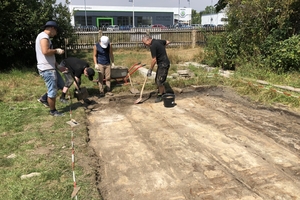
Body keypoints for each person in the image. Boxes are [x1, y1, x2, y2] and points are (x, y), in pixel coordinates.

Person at [35, 20, 66, 116]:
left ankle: (44, 99)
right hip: (47, 69)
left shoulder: (45, 37)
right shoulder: (44, 36)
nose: (56, 34)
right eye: (56, 31)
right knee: (52, 91)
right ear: (52, 28)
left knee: (60, 85)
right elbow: (45, 51)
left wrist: (58, 66)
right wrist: (56, 50)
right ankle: (53, 111)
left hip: (51, 67)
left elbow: (49, 56)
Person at [142, 35, 171, 103]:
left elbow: (154, 60)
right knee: (157, 80)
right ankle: (163, 93)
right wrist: (162, 48)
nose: (144, 45)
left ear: (148, 40)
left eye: (144, 43)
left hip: (163, 65)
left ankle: (161, 96)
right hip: (163, 64)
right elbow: (167, 42)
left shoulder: (153, 46)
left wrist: (150, 70)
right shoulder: (158, 41)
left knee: (159, 81)